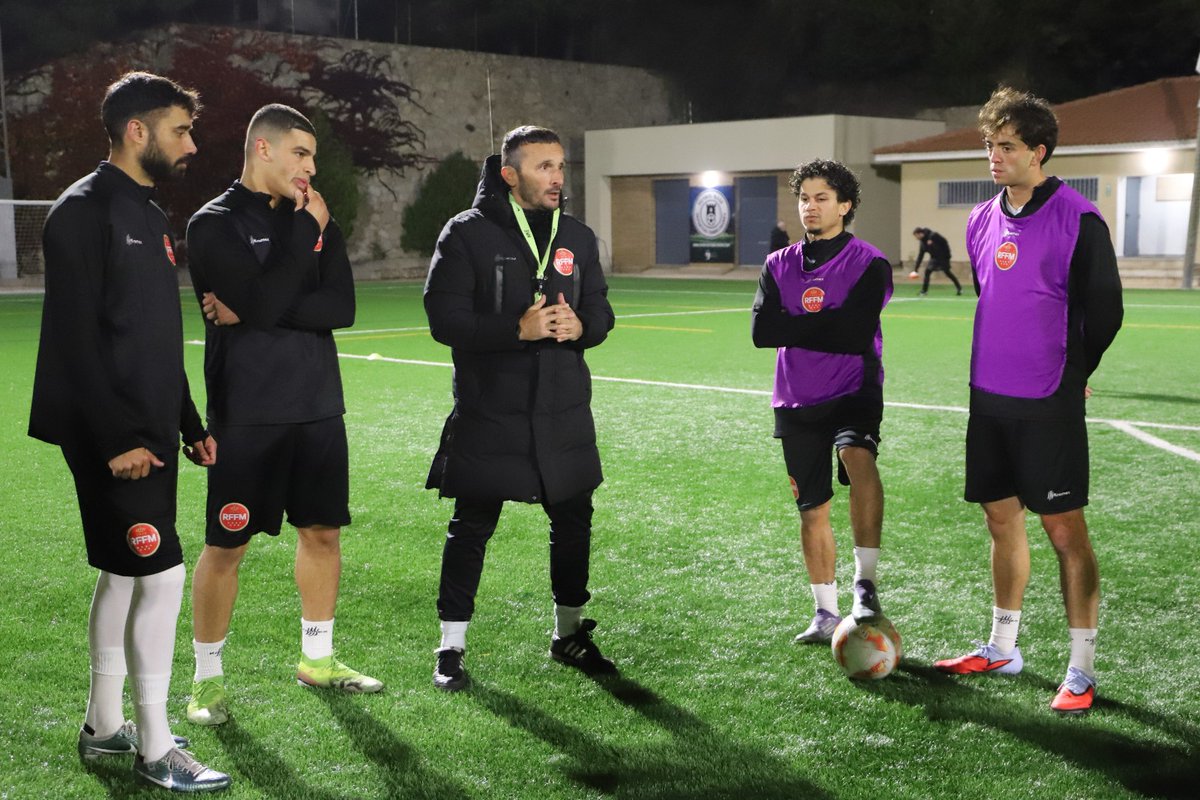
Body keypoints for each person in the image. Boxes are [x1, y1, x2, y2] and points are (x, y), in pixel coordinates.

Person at [28, 72, 230, 793]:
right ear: (137, 130)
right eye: (181, 129)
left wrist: (188, 423)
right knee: (163, 574)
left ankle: (104, 722)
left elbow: (153, 337)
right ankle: (154, 748)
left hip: (147, 427)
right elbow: (74, 340)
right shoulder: (81, 212)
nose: (192, 144)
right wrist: (116, 438)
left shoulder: (147, 212)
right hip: (110, 433)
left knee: (125, 570)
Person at [183, 103, 381, 727]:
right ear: (262, 149)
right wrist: (299, 248)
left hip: (318, 405)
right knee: (227, 544)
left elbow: (341, 307)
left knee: (322, 533)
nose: (310, 169)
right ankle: (205, 679)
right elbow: (267, 299)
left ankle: (317, 659)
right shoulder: (212, 224)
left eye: (313, 158)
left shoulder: (318, 217)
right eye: (301, 154)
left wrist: (262, 306)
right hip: (247, 413)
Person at [933, 87, 1123, 715]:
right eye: (989, 144)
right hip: (988, 396)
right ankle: (1003, 647)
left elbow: (1106, 312)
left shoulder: (1079, 219)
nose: (994, 155)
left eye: (1006, 146)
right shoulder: (980, 218)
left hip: (1048, 400)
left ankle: (1081, 667)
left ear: (1038, 151)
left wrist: (1075, 373)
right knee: (999, 519)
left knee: (1064, 528)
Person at [424, 125, 617, 691]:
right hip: (491, 410)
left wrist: (585, 326)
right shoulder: (466, 233)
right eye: (544, 167)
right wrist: (517, 328)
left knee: (574, 522)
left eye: (560, 166)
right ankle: (451, 646)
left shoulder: (576, 236)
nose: (558, 177)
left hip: (563, 412)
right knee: (471, 526)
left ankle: (568, 634)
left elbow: (602, 311)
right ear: (510, 175)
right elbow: (445, 320)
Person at [751, 159, 893, 645]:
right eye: (804, 198)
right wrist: (826, 323)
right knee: (811, 507)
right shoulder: (778, 263)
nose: (810, 207)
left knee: (858, 460)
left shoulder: (869, 263)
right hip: (795, 397)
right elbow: (760, 332)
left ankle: (865, 584)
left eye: (822, 198)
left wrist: (797, 325)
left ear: (845, 205)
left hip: (854, 386)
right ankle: (825, 612)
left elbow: (854, 335)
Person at [911, 227, 962, 295]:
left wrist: (947, 255)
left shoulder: (933, 235)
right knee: (927, 272)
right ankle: (924, 291)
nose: (916, 238)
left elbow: (944, 242)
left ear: (920, 233)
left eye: (916, 236)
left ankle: (959, 289)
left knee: (947, 272)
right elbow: (920, 256)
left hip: (943, 257)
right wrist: (916, 269)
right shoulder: (922, 243)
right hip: (934, 258)